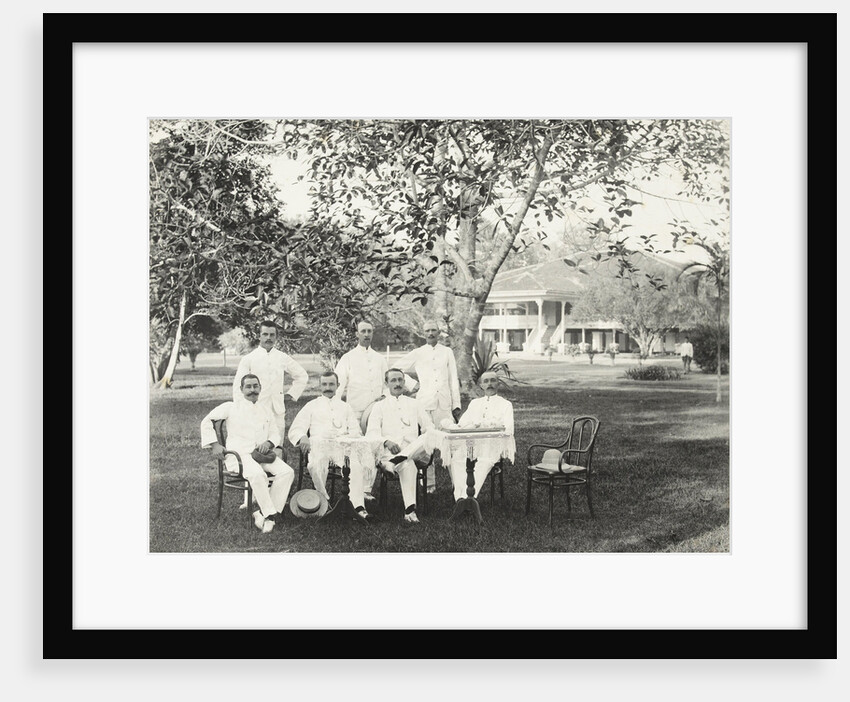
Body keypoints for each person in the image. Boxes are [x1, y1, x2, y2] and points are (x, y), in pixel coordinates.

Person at [200, 374, 295, 533]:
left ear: (260, 388)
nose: (252, 390)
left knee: (287, 472)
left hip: (262, 454)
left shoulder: (265, 409)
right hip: (239, 456)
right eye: (248, 387)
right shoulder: (231, 407)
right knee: (258, 475)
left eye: (255, 386)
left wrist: (269, 443)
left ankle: (262, 513)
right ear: (241, 389)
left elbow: (275, 433)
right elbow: (207, 421)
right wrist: (215, 445)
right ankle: (270, 516)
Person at [287, 371, 372, 520]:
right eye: (324, 384)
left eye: (331, 384)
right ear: (320, 386)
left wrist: (347, 437)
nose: (328, 387)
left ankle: (358, 507)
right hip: (318, 446)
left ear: (338, 386)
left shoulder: (345, 407)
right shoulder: (311, 405)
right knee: (316, 465)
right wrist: (303, 437)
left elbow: (355, 430)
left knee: (355, 466)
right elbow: (296, 428)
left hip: (342, 447)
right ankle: (324, 501)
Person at [395, 319, 461, 493]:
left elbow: (453, 379)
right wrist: (411, 384)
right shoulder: (418, 352)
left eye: (433, 330)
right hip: (424, 403)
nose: (430, 334)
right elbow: (395, 368)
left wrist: (456, 404)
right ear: (423, 334)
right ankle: (429, 485)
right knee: (427, 443)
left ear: (439, 332)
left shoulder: (447, 352)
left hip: (444, 404)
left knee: (450, 443)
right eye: (427, 331)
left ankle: (457, 484)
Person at [365, 368, 435, 523]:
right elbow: (371, 434)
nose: (397, 384)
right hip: (388, 453)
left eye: (400, 380)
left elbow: (429, 427)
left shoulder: (415, 404)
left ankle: (394, 463)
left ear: (404, 382)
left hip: (415, 450)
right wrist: (386, 442)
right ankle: (410, 511)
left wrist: (427, 434)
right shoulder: (379, 406)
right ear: (387, 384)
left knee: (430, 435)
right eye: (393, 380)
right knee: (408, 464)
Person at [334, 320, 388, 500]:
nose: (366, 334)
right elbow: (338, 386)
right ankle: (351, 487)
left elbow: (386, 382)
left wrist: (385, 398)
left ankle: (366, 489)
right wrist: (335, 407)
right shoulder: (348, 358)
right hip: (356, 411)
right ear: (357, 334)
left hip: (376, 412)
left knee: (373, 446)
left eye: (370, 331)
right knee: (356, 449)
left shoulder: (380, 359)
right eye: (363, 331)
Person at [442, 371, 515, 503]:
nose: (490, 384)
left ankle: (469, 499)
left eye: (493, 380)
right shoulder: (475, 403)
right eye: (486, 381)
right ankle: (459, 498)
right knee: (457, 460)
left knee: (483, 462)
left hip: (491, 445)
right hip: (471, 444)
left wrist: (490, 425)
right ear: (481, 385)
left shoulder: (505, 404)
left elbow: (508, 430)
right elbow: (463, 424)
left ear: (498, 383)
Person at [231, 320, 309, 444]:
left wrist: (291, 395)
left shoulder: (282, 357)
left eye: (272, 335)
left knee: (277, 446)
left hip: (277, 410)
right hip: (256, 409)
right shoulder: (249, 359)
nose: (269, 338)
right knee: (257, 445)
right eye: (265, 334)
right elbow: (237, 388)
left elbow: (302, 376)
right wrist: (243, 409)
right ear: (259, 336)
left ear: (276, 337)